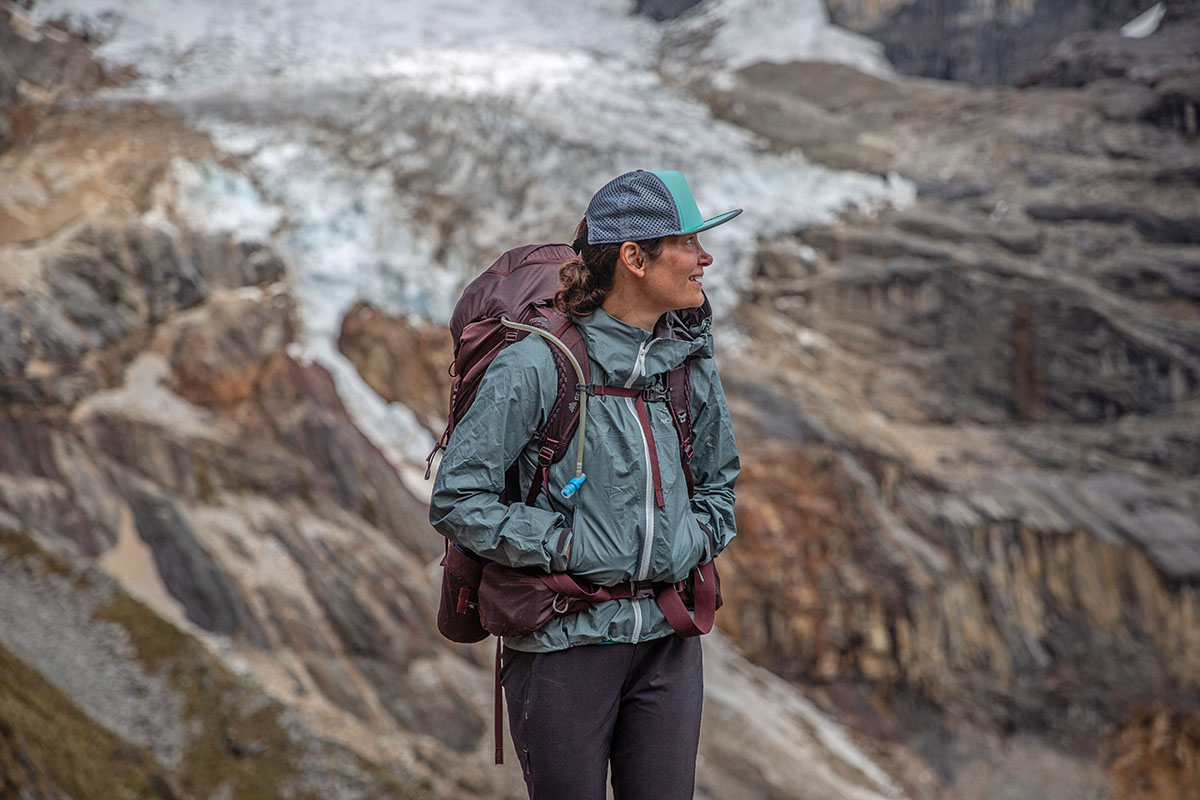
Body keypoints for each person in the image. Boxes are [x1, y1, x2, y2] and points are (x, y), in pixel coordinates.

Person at [429, 169, 741, 800]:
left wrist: (689, 540)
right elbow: (458, 497)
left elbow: (720, 485)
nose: (704, 257)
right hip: (561, 644)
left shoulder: (686, 365)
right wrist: (569, 549)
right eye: (688, 241)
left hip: (666, 639)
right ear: (634, 257)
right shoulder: (538, 363)